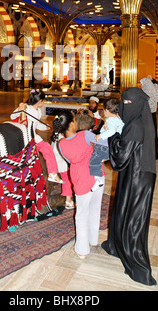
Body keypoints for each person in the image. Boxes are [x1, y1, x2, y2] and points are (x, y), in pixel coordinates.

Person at [101, 87, 157, 286]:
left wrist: (113, 135)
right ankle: (116, 246)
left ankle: (139, 268)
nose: (124, 107)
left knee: (133, 219)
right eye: (123, 102)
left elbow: (119, 158)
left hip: (137, 178)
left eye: (128, 104)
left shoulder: (135, 126)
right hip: (135, 174)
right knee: (123, 211)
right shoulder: (141, 120)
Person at [52, 110, 108, 259]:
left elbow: (71, 161)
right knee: (95, 209)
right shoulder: (86, 135)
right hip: (97, 175)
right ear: (71, 124)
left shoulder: (61, 144)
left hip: (80, 179)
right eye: (75, 120)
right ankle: (93, 241)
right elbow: (104, 144)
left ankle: (82, 250)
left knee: (82, 214)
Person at [11, 89, 63, 183]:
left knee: (45, 148)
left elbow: (36, 124)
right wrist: (19, 109)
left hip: (33, 134)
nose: (44, 103)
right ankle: (52, 173)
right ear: (40, 102)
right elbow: (12, 117)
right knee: (47, 148)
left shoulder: (38, 110)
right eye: (43, 101)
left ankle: (49, 173)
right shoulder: (26, 108)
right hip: (25, 135)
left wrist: (45, 127)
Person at [91, 98, 124, 190]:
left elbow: (112, 131)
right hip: (112, 145)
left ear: (107, 111)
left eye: (104, 110)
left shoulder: (110, 120)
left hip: (104, 145)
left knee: (93, 162)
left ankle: (98, 180)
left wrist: (101, 135)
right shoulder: (119, 118)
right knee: (97, 159)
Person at [140, 76, 158, 159]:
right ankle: (154, 154)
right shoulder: (154, 91)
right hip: (153, 116)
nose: (141, 86)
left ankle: (147, 154)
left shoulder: (145, 94)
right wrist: (152, 80)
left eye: (141, 84)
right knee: (153, 135)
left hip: (146, 116)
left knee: (147, 135)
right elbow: (156, 85)